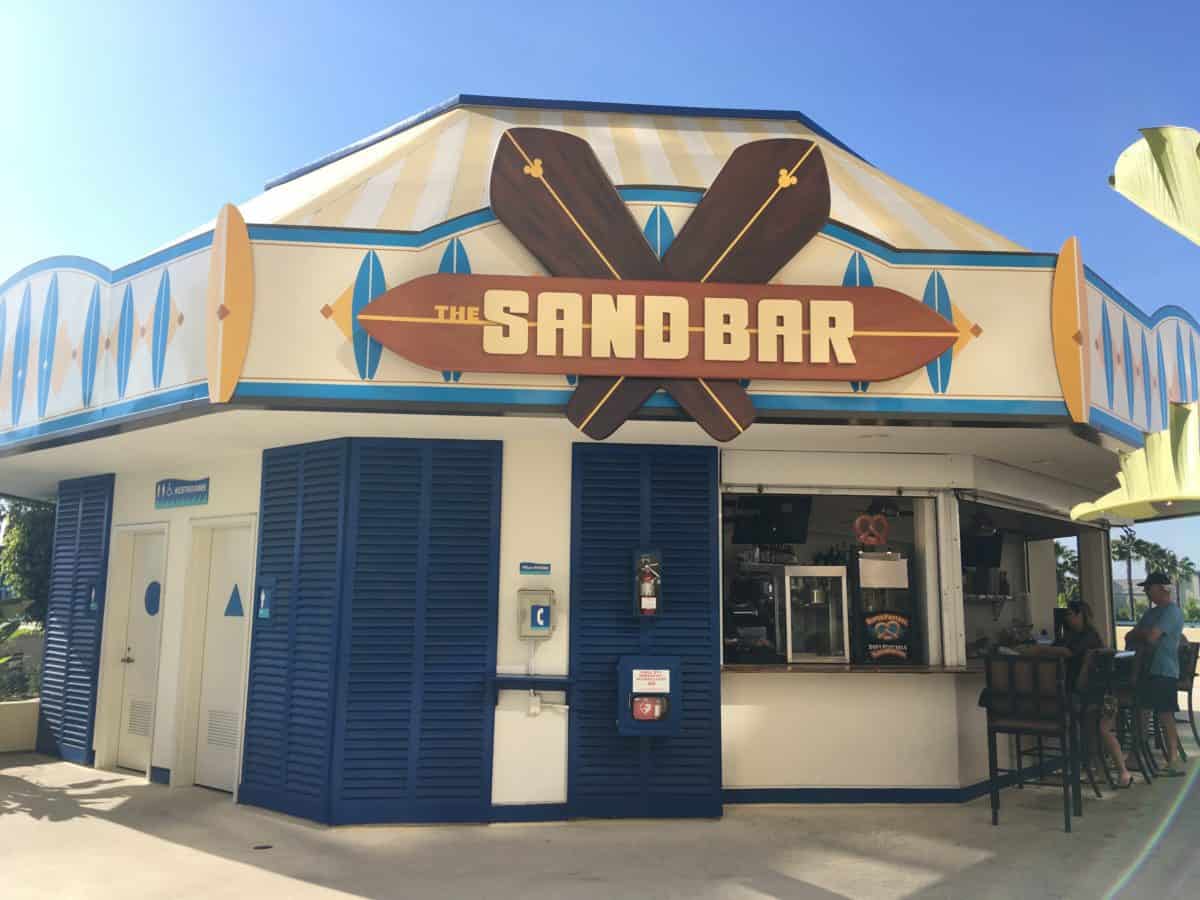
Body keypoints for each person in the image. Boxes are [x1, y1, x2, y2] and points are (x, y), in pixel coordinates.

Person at [1024, 600, 1134, 786]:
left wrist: (1040, 649)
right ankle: (1100, 771)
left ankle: (1123, 772)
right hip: (1087, 693)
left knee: (1103, 730)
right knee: (1090, 733)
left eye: (1070, 614)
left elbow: (1068, 652)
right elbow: (1059, 647)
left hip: (1101, 692)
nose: (1067, 618)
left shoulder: (1089, 636)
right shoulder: (1071, 636)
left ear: (1080, 614)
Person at [1125, 572, 1187, 776]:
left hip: (1164, 670)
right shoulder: (1150, 614)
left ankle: (1173, 760)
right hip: (1145, 668)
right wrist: (1143, 634)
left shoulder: (1172, 612)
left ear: (1161, 588)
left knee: (1165, 715)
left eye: (1149, 587)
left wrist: (1142, 634)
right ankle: (1136, 755)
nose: (1146, 591)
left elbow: (1151, 637)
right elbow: (1130, 636)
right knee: (1141, 712)